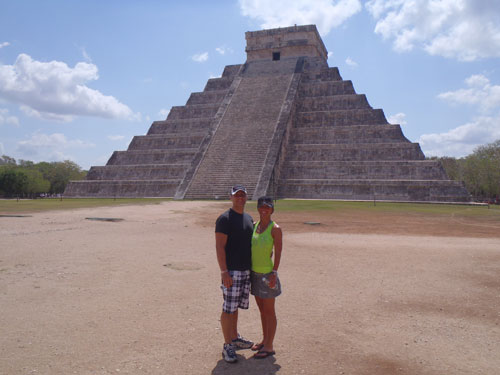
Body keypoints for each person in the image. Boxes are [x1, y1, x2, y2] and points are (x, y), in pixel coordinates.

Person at [215, 185, 255, 363]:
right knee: (228, 308)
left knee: (235, 307)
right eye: (236, 195)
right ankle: (227, 345)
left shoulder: (248, 218)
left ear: (246, 197)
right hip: (231, 271)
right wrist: (224, 272)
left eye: (242, 195)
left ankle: (234, 337)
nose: (240, 198)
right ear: (231, 197)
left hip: (245, 270)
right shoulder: (225, 219)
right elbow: (219, 247)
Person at [250, 196, 283, 359]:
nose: (264, 210)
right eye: (261, 207)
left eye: (267, 207)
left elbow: (278, 252)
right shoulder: (254, 226)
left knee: (270, 311)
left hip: (267, 274)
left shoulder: (275, 228)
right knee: (262, 311)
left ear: (272, 209)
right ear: (258, 208)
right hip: (254, 274)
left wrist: (274, 272)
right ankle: (265, 339)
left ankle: (269, 346)